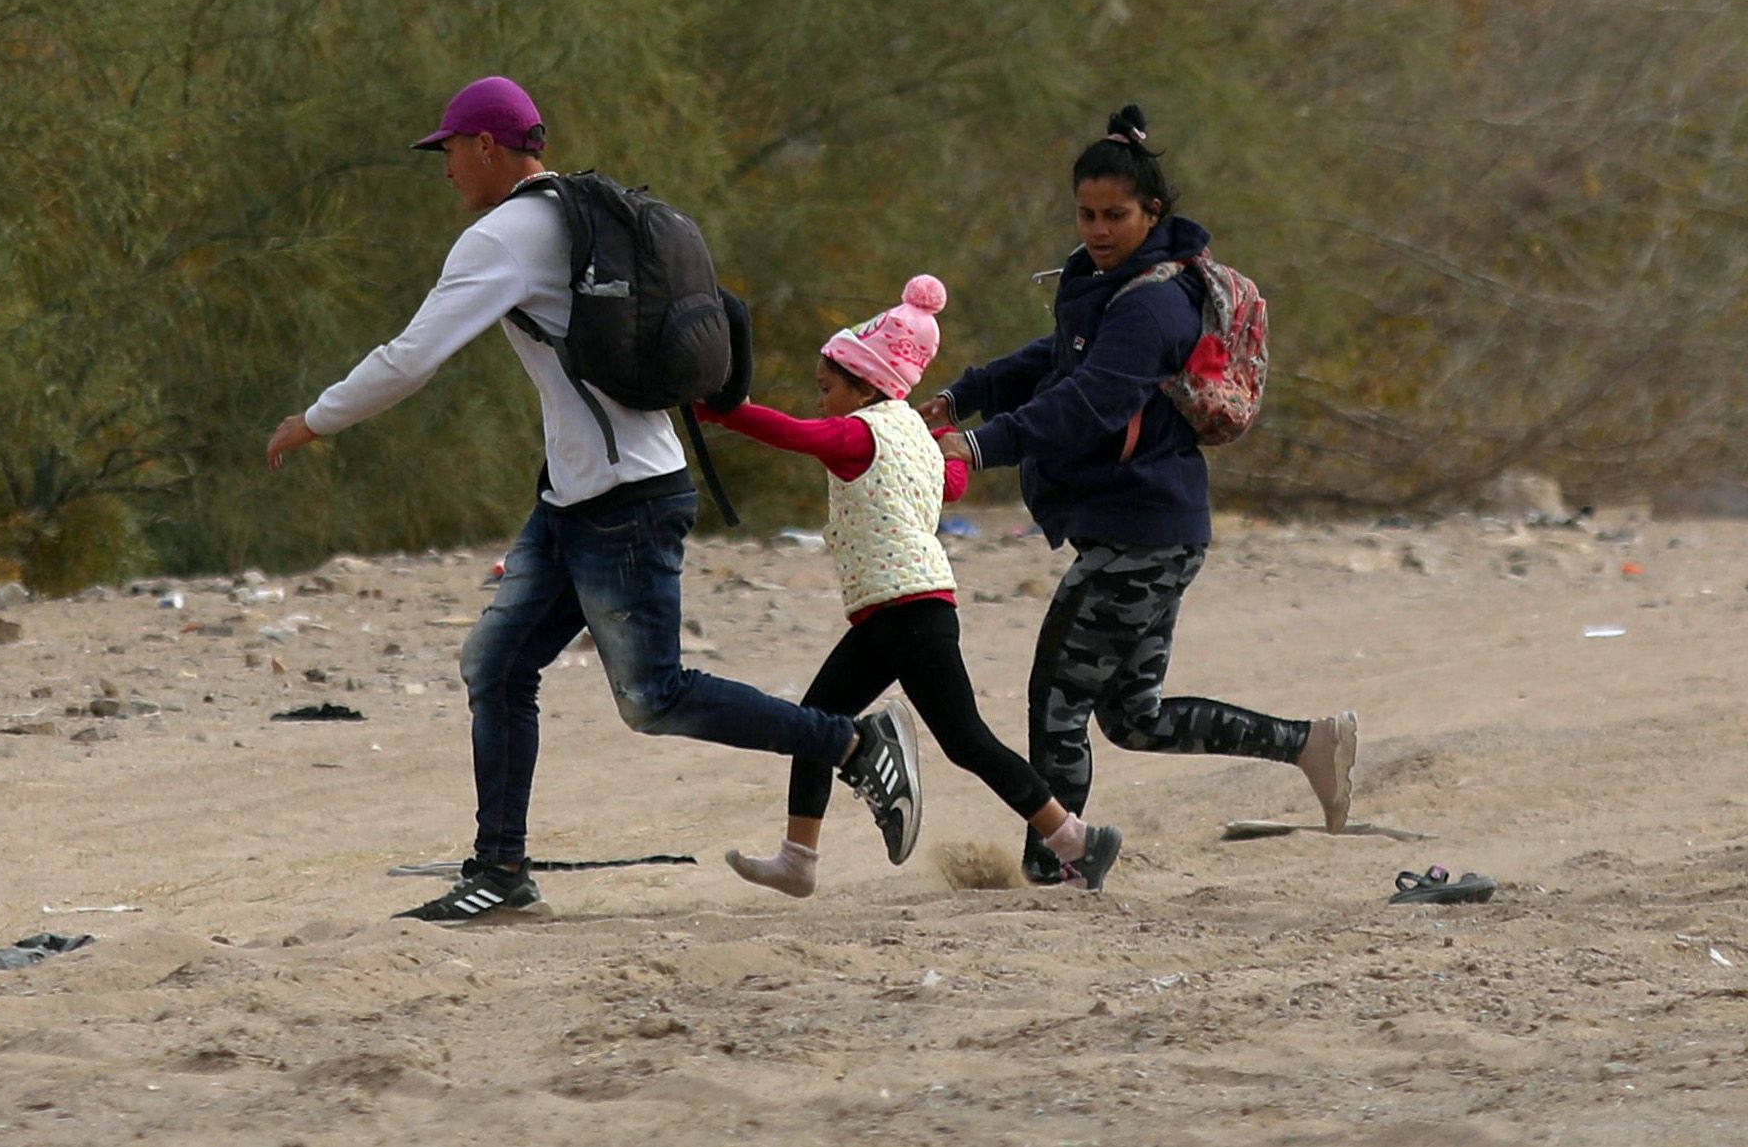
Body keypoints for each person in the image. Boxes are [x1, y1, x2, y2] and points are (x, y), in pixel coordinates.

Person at [267, 76, 922, 923]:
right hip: (578, 496)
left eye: (450, 151)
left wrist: (314, 420)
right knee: (497, 664)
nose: (445, 169)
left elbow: (410, 356)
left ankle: (853, 741)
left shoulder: (503, 236)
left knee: (655, 696)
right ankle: (500, 870)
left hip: (627, 500)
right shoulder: (579, 214)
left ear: (489, 147)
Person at [933, 105, 1355, 880]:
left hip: (1145, 531)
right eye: (1087, 214)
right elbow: (1051, 356)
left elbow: (1086, 399)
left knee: (1056, 697)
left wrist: (979, 444)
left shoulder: (1154, 302)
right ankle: (1309, 744)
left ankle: (1058, 864)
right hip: (1150, 526)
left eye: (1114, 215)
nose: (1097, 229)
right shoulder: (1101, 282)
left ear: (1151, 212)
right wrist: (964, 396)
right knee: (1134, 715)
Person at [712, 274, 1127, 897]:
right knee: (816, 721)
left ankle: (1076, 840)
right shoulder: (914, 436)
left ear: (863, 384)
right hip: (898, 610)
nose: (822, 401)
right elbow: (951, 486)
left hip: (907, 613)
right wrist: (941, 452)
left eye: (828, 389)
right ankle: (799, 858)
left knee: (964, 740)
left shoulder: (858, 434)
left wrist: (713, 407)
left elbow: (790, 433)